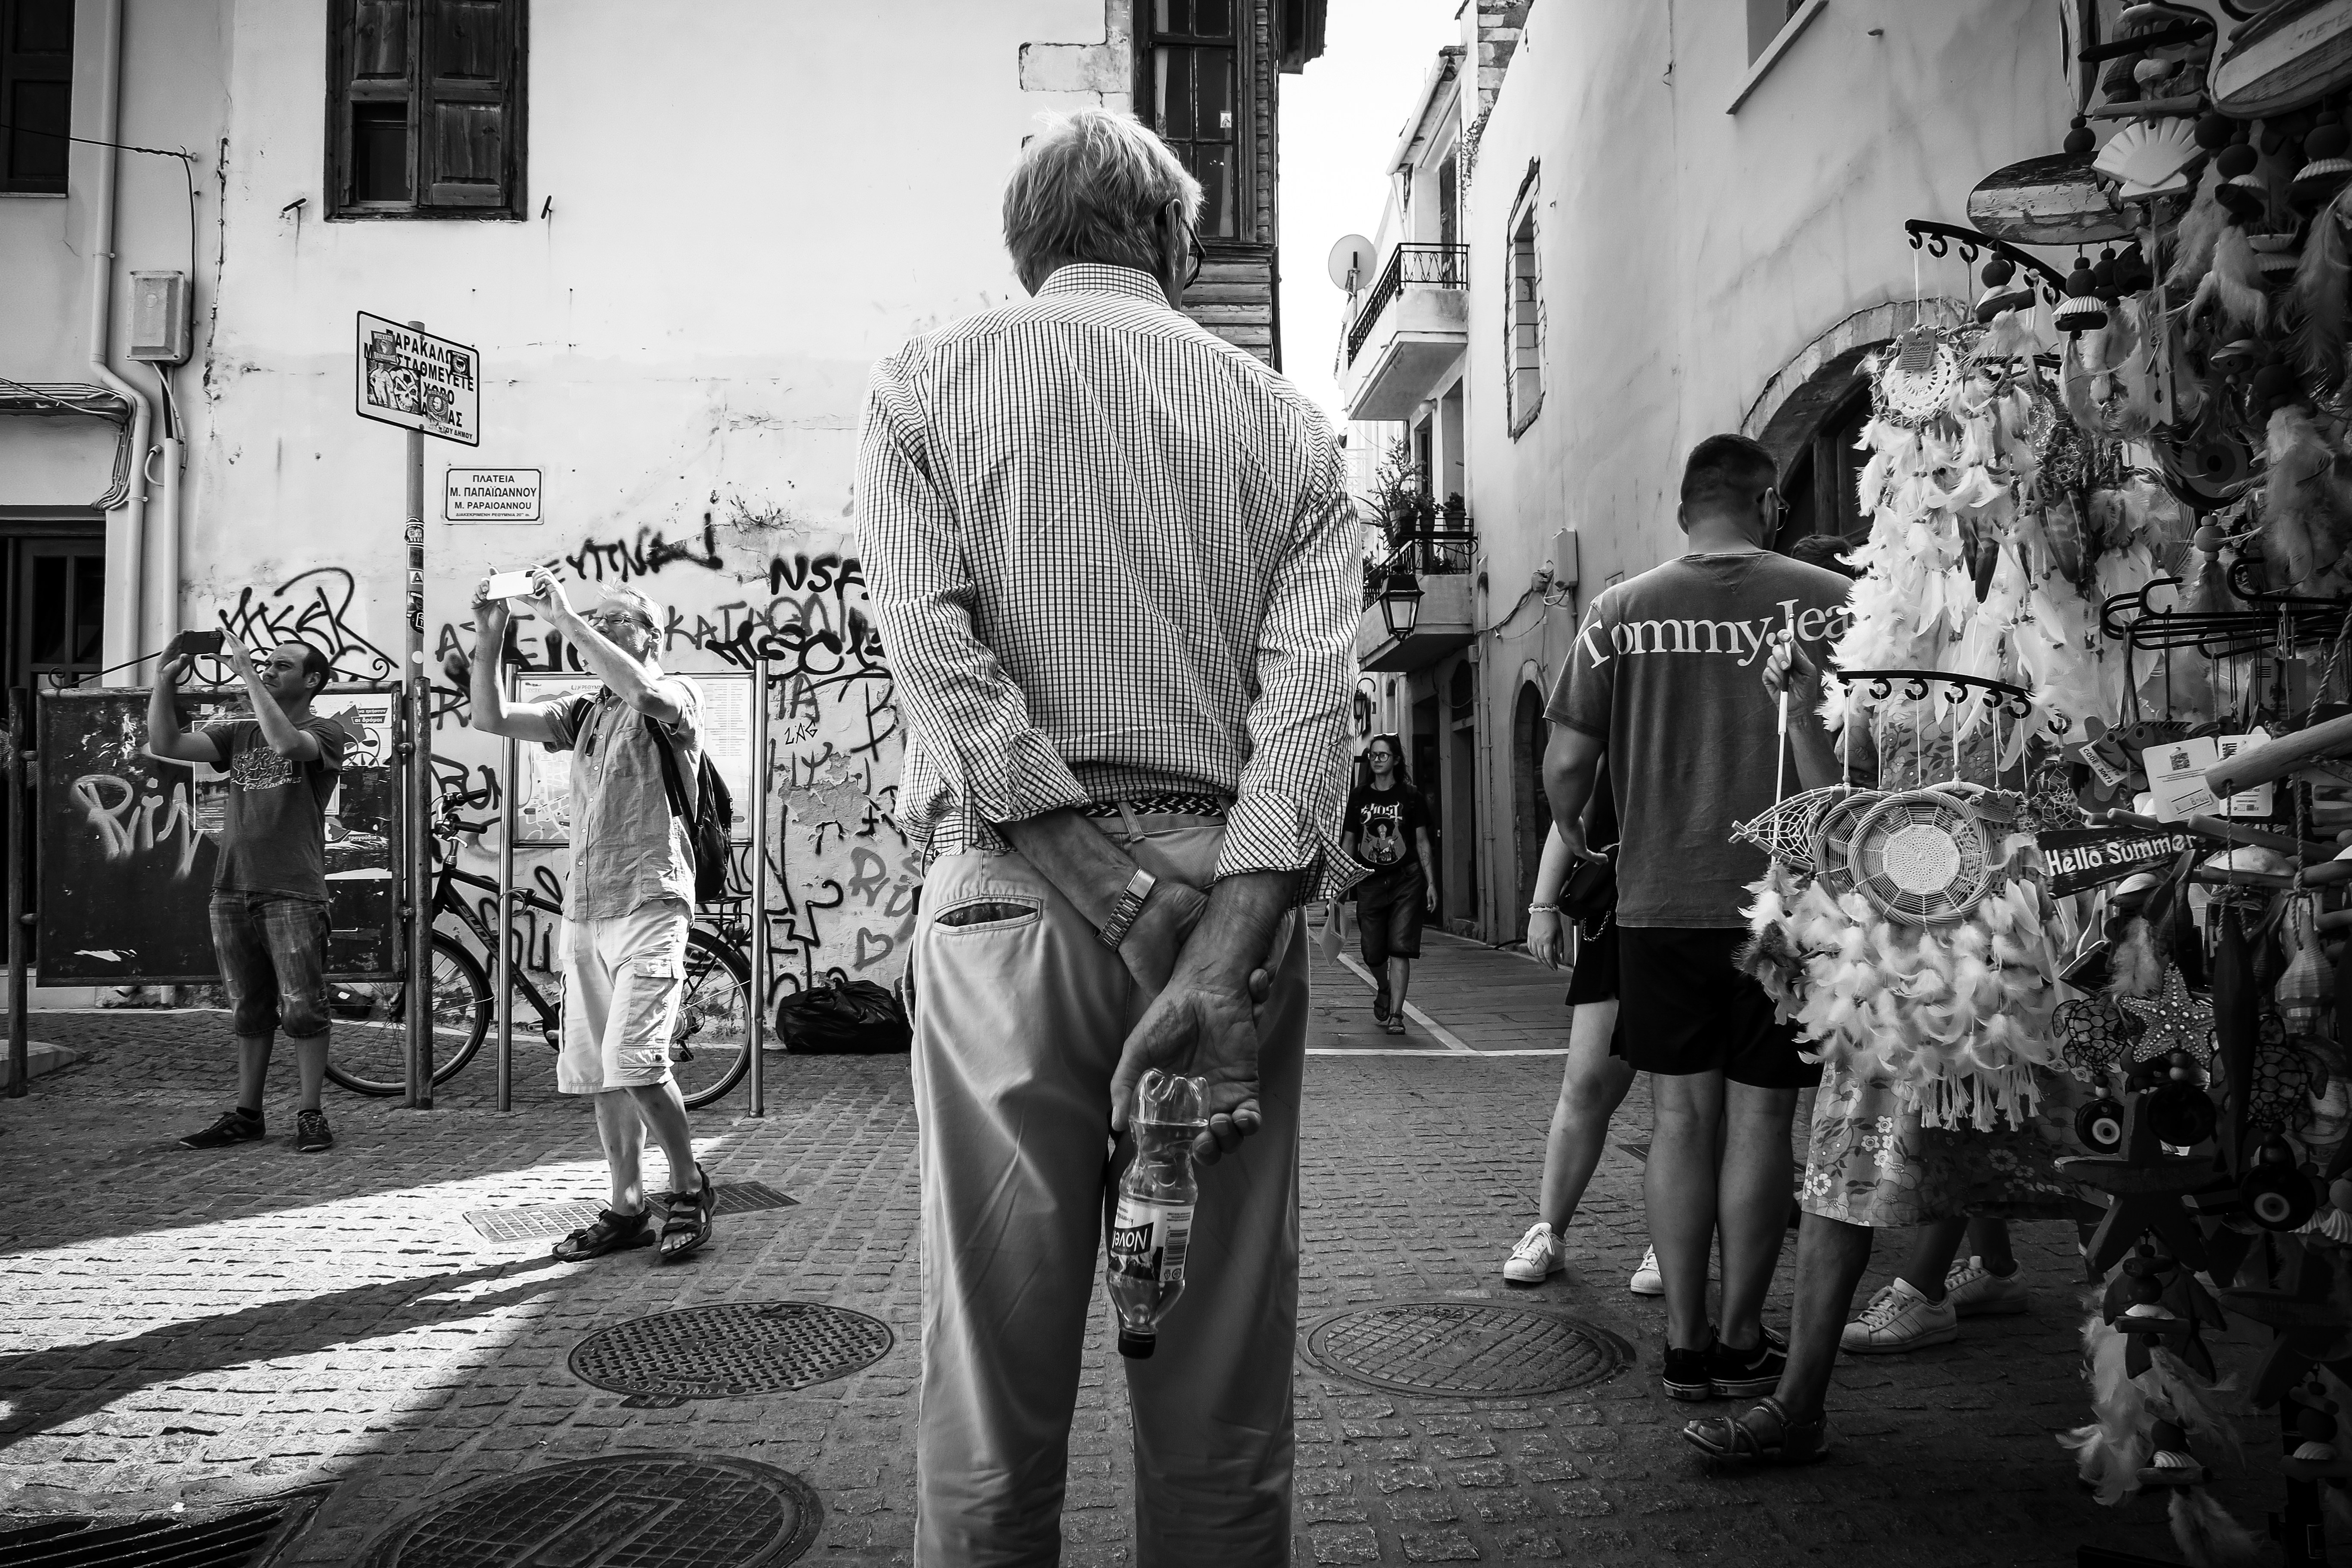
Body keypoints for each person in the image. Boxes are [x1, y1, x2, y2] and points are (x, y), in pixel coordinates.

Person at [857, 107, 1360, 1567]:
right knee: (1219, 1390)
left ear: (1029, 252)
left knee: (988, 1389)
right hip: (1228, 935)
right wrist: (1203, 942)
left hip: (1008, 913)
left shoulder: (924, 384)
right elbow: (1312, 715)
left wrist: (1092, 874)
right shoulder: (1286, 423)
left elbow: (932, 653)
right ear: (1171, 243)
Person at [1682, 630, 2075, 1464]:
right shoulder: (1878, 662)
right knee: (1842, 1172)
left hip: (2038, 938)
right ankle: (1799, 1407)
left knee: (2111, 1169)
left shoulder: (2043, 624)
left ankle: (2147, 1416)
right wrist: (1799, 711)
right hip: (1897, 951)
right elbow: (1841, 810)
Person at [1541, 433, 1853, 1405]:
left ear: (1684, 509)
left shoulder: (1617, 612)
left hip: (1656, 901)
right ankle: (1737, 1335)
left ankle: (1679, 1347)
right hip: (1784, 907)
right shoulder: (1831, 603)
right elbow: (1862, 753)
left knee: (1678, 1118)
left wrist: (1575, 837)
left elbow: (1563, 761)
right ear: (1765, 505)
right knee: (1762, 1119)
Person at [466, 574, 715, 1265]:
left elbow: (648, 695)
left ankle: (690, 1187)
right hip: (584, 910)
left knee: (635, 1061)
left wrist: (571, 620)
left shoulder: (674, 693)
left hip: (650, 899)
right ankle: (627, 1205)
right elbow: (491, 719)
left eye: (616, 621)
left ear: (653, 637)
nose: (597, 628)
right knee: (600, 1074)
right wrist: (491, 637)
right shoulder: (586, 709)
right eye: (593, 619)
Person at [159, 635, 351, 1155]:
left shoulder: (326, 731)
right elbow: (168, 746)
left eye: (280, 666)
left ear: (312, 681)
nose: (267, 670)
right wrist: (163, 684)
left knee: (303, 1008)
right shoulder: (240, 730)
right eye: (265, 663)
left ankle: (310, 1113)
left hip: (293, 889)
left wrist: (244, 674)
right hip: (232, 886)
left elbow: (289, 745)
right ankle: (247, 1114)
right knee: (248, 1008)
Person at [1501, 777, 1646, 1291]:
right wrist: (1543, 906)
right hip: (1617, 910)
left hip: (1703, 903)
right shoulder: (1619, 706)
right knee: (1585, 1083)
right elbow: (1570, 800)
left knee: (1692, 1090)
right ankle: (1549, 1230)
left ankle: (1678, 1238)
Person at [1334, 732, 1436, 1033]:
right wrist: (1341, 884)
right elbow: (1350, 841)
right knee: (1372, 952)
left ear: (1396, 760)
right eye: (1373, 756)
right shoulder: (1360, 796)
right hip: (1369, 882)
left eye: (1383, 756)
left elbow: (1422, 842)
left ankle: (1397, 1016)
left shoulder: (1411, 796)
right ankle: (1384, 985)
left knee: (1400, 947)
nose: (1377, 761)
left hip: (1407, 880)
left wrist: (1431, 883)